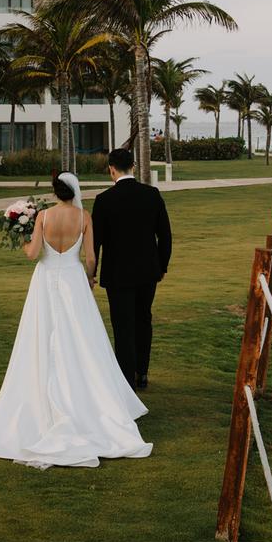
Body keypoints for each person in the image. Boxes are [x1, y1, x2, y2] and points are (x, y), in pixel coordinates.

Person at [0, 173, 151, 468]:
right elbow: (91, 256)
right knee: (81, 338)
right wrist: (90, 276)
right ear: (74, 192)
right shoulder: (84, 217)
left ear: (54, 192)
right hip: (73, 280)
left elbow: (32, 254)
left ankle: (38, 397)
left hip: (46, 279)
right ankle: (86, 394)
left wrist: (22, 234)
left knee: (41, 336)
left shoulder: (43, 216)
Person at [90, 148, 172, 391]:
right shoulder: (152, 194)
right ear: (133, 167)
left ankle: (125, 380)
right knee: (143, 319)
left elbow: (96, 241)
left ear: (111, 169)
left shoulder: (104, 200)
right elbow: (165, 236)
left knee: (122, 325)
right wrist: (162, 266)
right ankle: (142, 373)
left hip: (117, 274)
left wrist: (91, 272)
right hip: (148, 272)